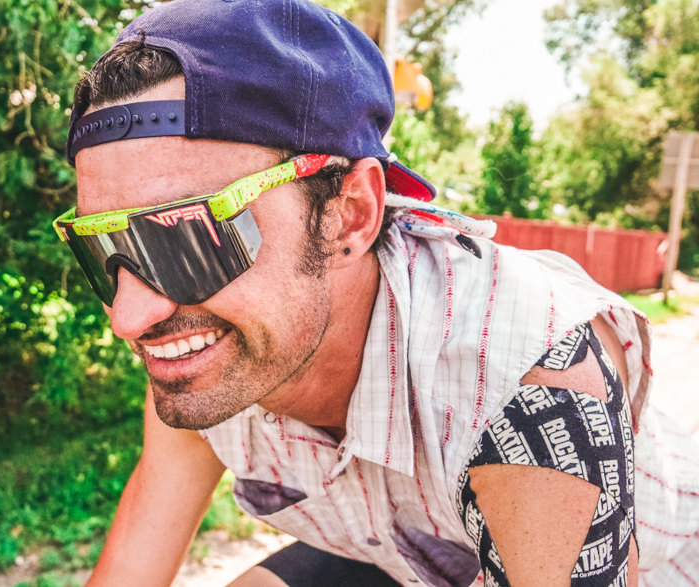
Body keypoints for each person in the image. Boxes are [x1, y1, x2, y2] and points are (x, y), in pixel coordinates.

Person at [52, 0, 699, 585]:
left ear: (351, 213)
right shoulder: (209, 338)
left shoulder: (529, 386)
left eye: (187, 239)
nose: (131, 316)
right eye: (103, 249)